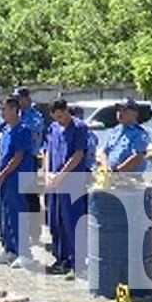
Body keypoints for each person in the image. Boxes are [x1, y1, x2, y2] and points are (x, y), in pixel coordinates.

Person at [0, 95, 35, 269]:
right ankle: (9, 249)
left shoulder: (22, 130)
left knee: (18, 214)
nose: (2, 113)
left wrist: (3, 173)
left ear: (14, 110)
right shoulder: (6, 130)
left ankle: (24, 253)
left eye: (4, 109)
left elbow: (18, 156)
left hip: (16, 178)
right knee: (4, 215)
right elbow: (2, 154)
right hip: (5, 179)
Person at [44, 99, 89, 276]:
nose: (59, 120)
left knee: (72, 221)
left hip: (72, 182)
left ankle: (77, 261)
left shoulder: (79, 128)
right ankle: (60, 257)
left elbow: (78, 154)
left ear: (66, 111)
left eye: (61, 116)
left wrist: (61, 174)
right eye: (56, 117)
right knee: (55, 221)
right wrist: (47, 172)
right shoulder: (53, 128)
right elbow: (46, 150)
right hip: (54, 182)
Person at [13, 86, 45, 245]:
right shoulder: (17, 114)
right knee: (17, 195)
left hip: (29, 159)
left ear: (26, 98)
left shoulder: (35, 116)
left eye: (19, 98)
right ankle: (20, 230)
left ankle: (34, 233)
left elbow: (31, 133)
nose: (17, 102)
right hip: (17, 158)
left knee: (30, 196)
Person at [98, 97, 149, 173]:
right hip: (110, 176)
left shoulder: (139, 133)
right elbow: (104, 152)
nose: (120, 113)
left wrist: (118, 171)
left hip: (129, 178)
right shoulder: (115, 131)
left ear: (135, 114)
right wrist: (106, 168)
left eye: (125, 110)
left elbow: (138, 157)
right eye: (119, 110)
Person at [70, 104, 98, 172]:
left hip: (88, 167)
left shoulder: (88, 131)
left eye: (80, 114)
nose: (78, 117)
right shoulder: (68, 132)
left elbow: (95, 143)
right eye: (75, 115)